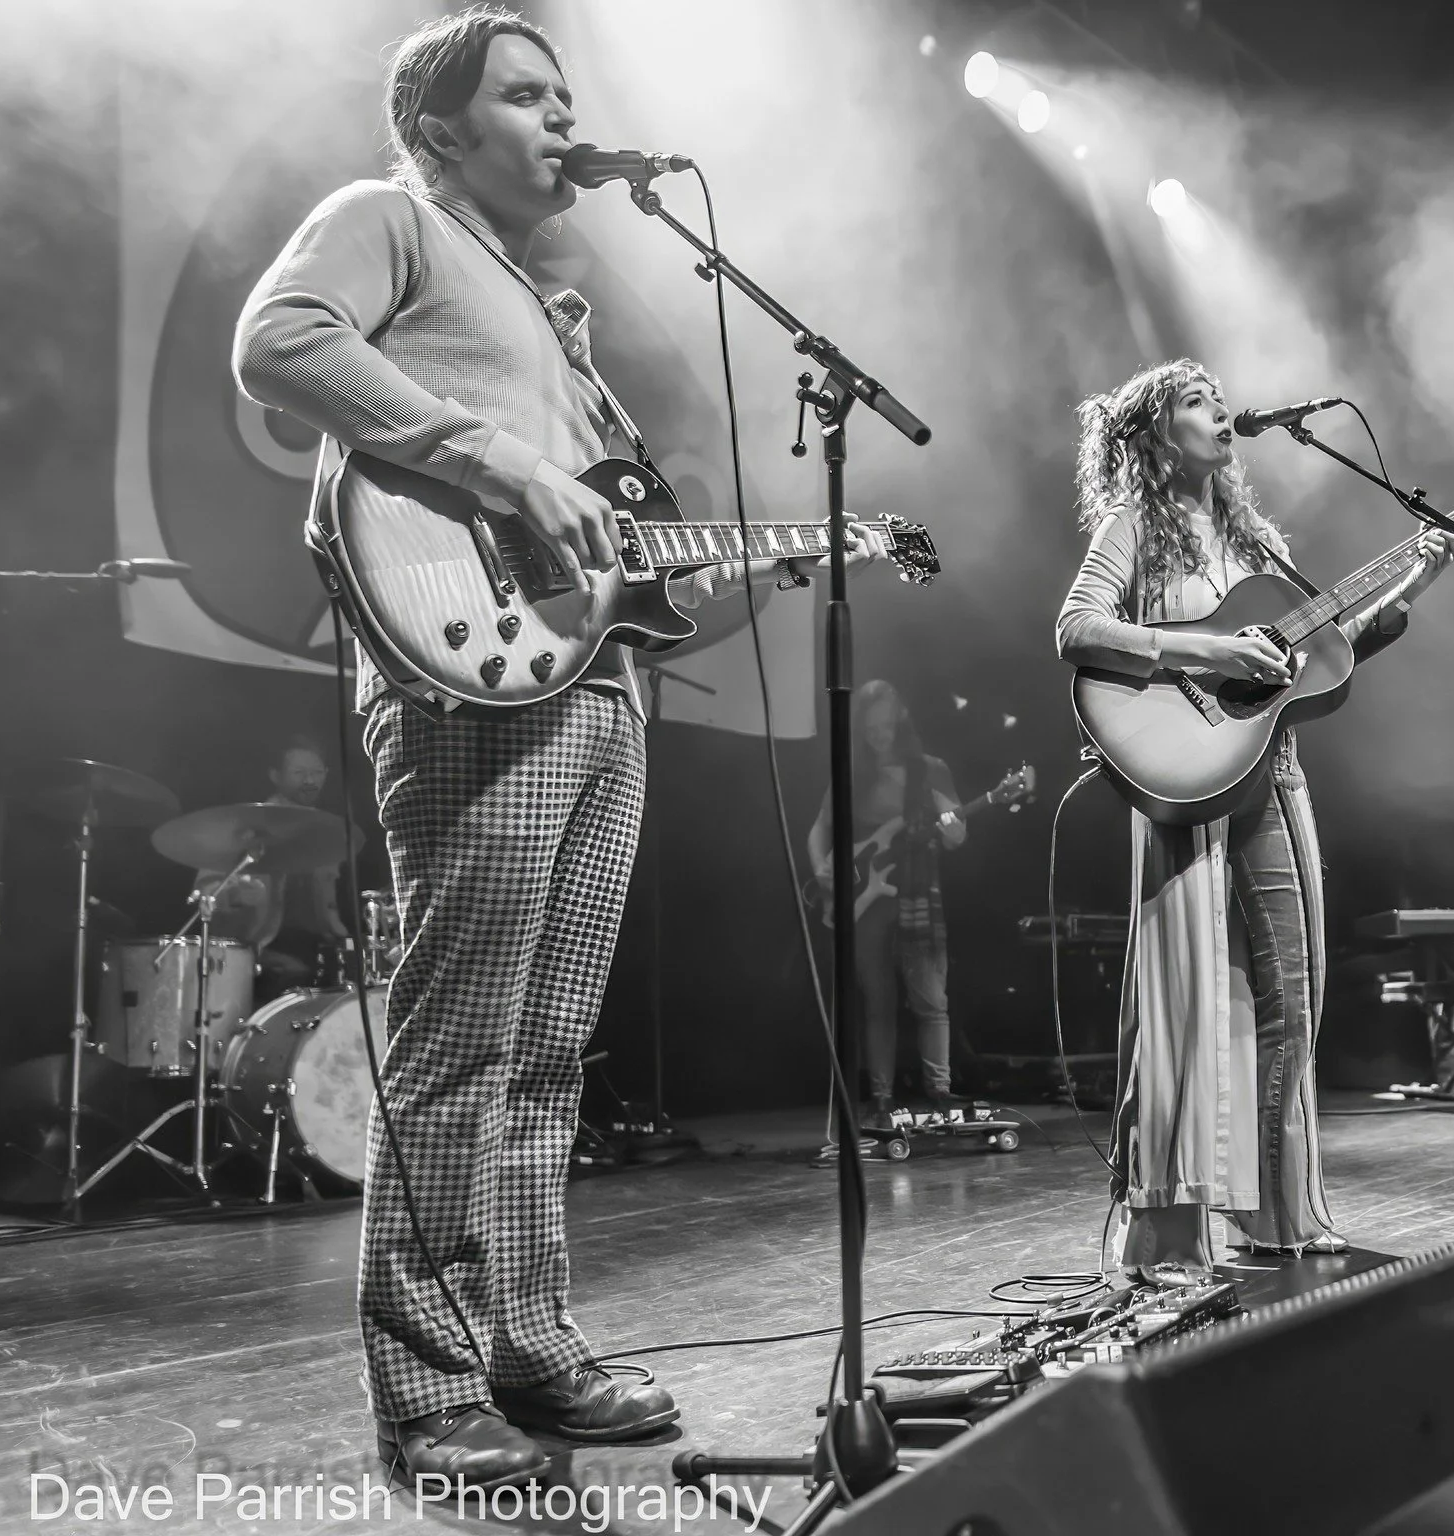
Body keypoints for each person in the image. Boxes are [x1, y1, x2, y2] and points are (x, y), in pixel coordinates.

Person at [234, 7, 859, 1489]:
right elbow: (278, 343)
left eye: (567, 95)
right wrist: (498, 456)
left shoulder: (552, 318)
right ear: (439, 126)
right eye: (527, 96)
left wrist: (744, 573)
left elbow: (619, 596)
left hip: (588, 694)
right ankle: (428, 1382)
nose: (565, 121)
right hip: (464, 688)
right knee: (458, 1049)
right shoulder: (387, 216)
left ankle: (530, 1343)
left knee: (546, 1056)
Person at [1055, 359, 1454, 1275]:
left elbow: (1325, 652)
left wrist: (1412, 586)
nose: (1220, 413)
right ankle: (1173, 1227)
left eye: (1218, 400)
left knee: (1295, 994)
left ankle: (1280, 1212)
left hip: (1274, 772)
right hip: (1189, 773)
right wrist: (1207, 646)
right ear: (1156, 432)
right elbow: (1077, 630)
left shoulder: (1255, 542)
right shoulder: (1135, 526)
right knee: (1198, 993)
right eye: (1196, 402)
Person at [807, 680, 966, 1143]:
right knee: (877, 1002)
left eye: (884, 724)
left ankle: (940, 1093)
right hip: (867, 901)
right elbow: (819, 827)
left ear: (899, 720)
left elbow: (958, 836)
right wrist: (820, 868)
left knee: (931, 1000)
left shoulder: (930, 770)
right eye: (869, 726)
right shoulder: (852, 774)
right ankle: (881, 1100)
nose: (877, 733)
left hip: (920, 894)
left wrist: (949, 818)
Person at [198, 736, 347, 999]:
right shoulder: (248, 827)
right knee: (294, 973)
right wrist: (234, 894)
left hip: (323, 947)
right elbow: (204, 890)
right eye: (299, 773)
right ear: (275, 776)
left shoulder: (327, 829)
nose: (310, 781)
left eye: (317, 773)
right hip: (262, 945)